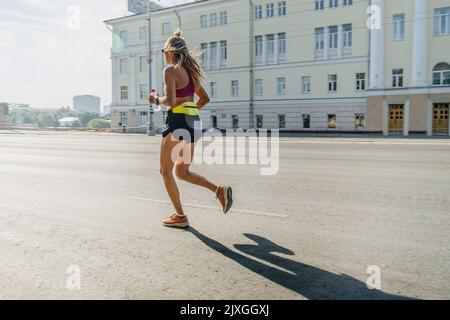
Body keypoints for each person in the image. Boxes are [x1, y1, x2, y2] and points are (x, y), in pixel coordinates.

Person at [149, 29, 233, 228]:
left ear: (170, 51)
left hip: (177, 122)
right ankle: (219, 190)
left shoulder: (170, 71)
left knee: (165, 170)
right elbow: (204, 98)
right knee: (182, 171)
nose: (164, 56)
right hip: (193, 124)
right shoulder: (191, 74)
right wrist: (188, 110)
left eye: (164, 51)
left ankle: (180, 216)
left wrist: (155, 99)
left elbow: (169, 100)